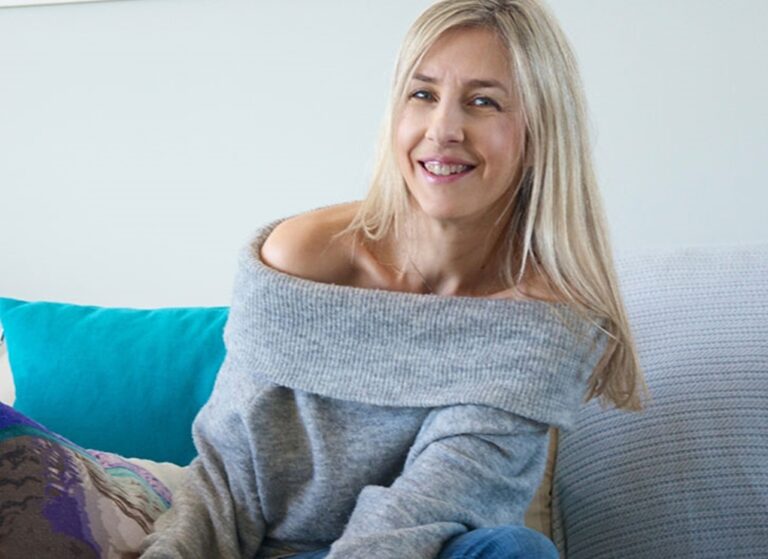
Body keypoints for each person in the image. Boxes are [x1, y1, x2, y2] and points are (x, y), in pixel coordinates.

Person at [0, 1, 646, 557]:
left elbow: (428, 508)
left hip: (410, 549)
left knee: (516, 550)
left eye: (483, 102)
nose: (444, 129)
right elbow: (229, 477)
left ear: (539, 134)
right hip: (261, 547)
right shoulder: (301, 257)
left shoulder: (544, 321)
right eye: (422, 94)